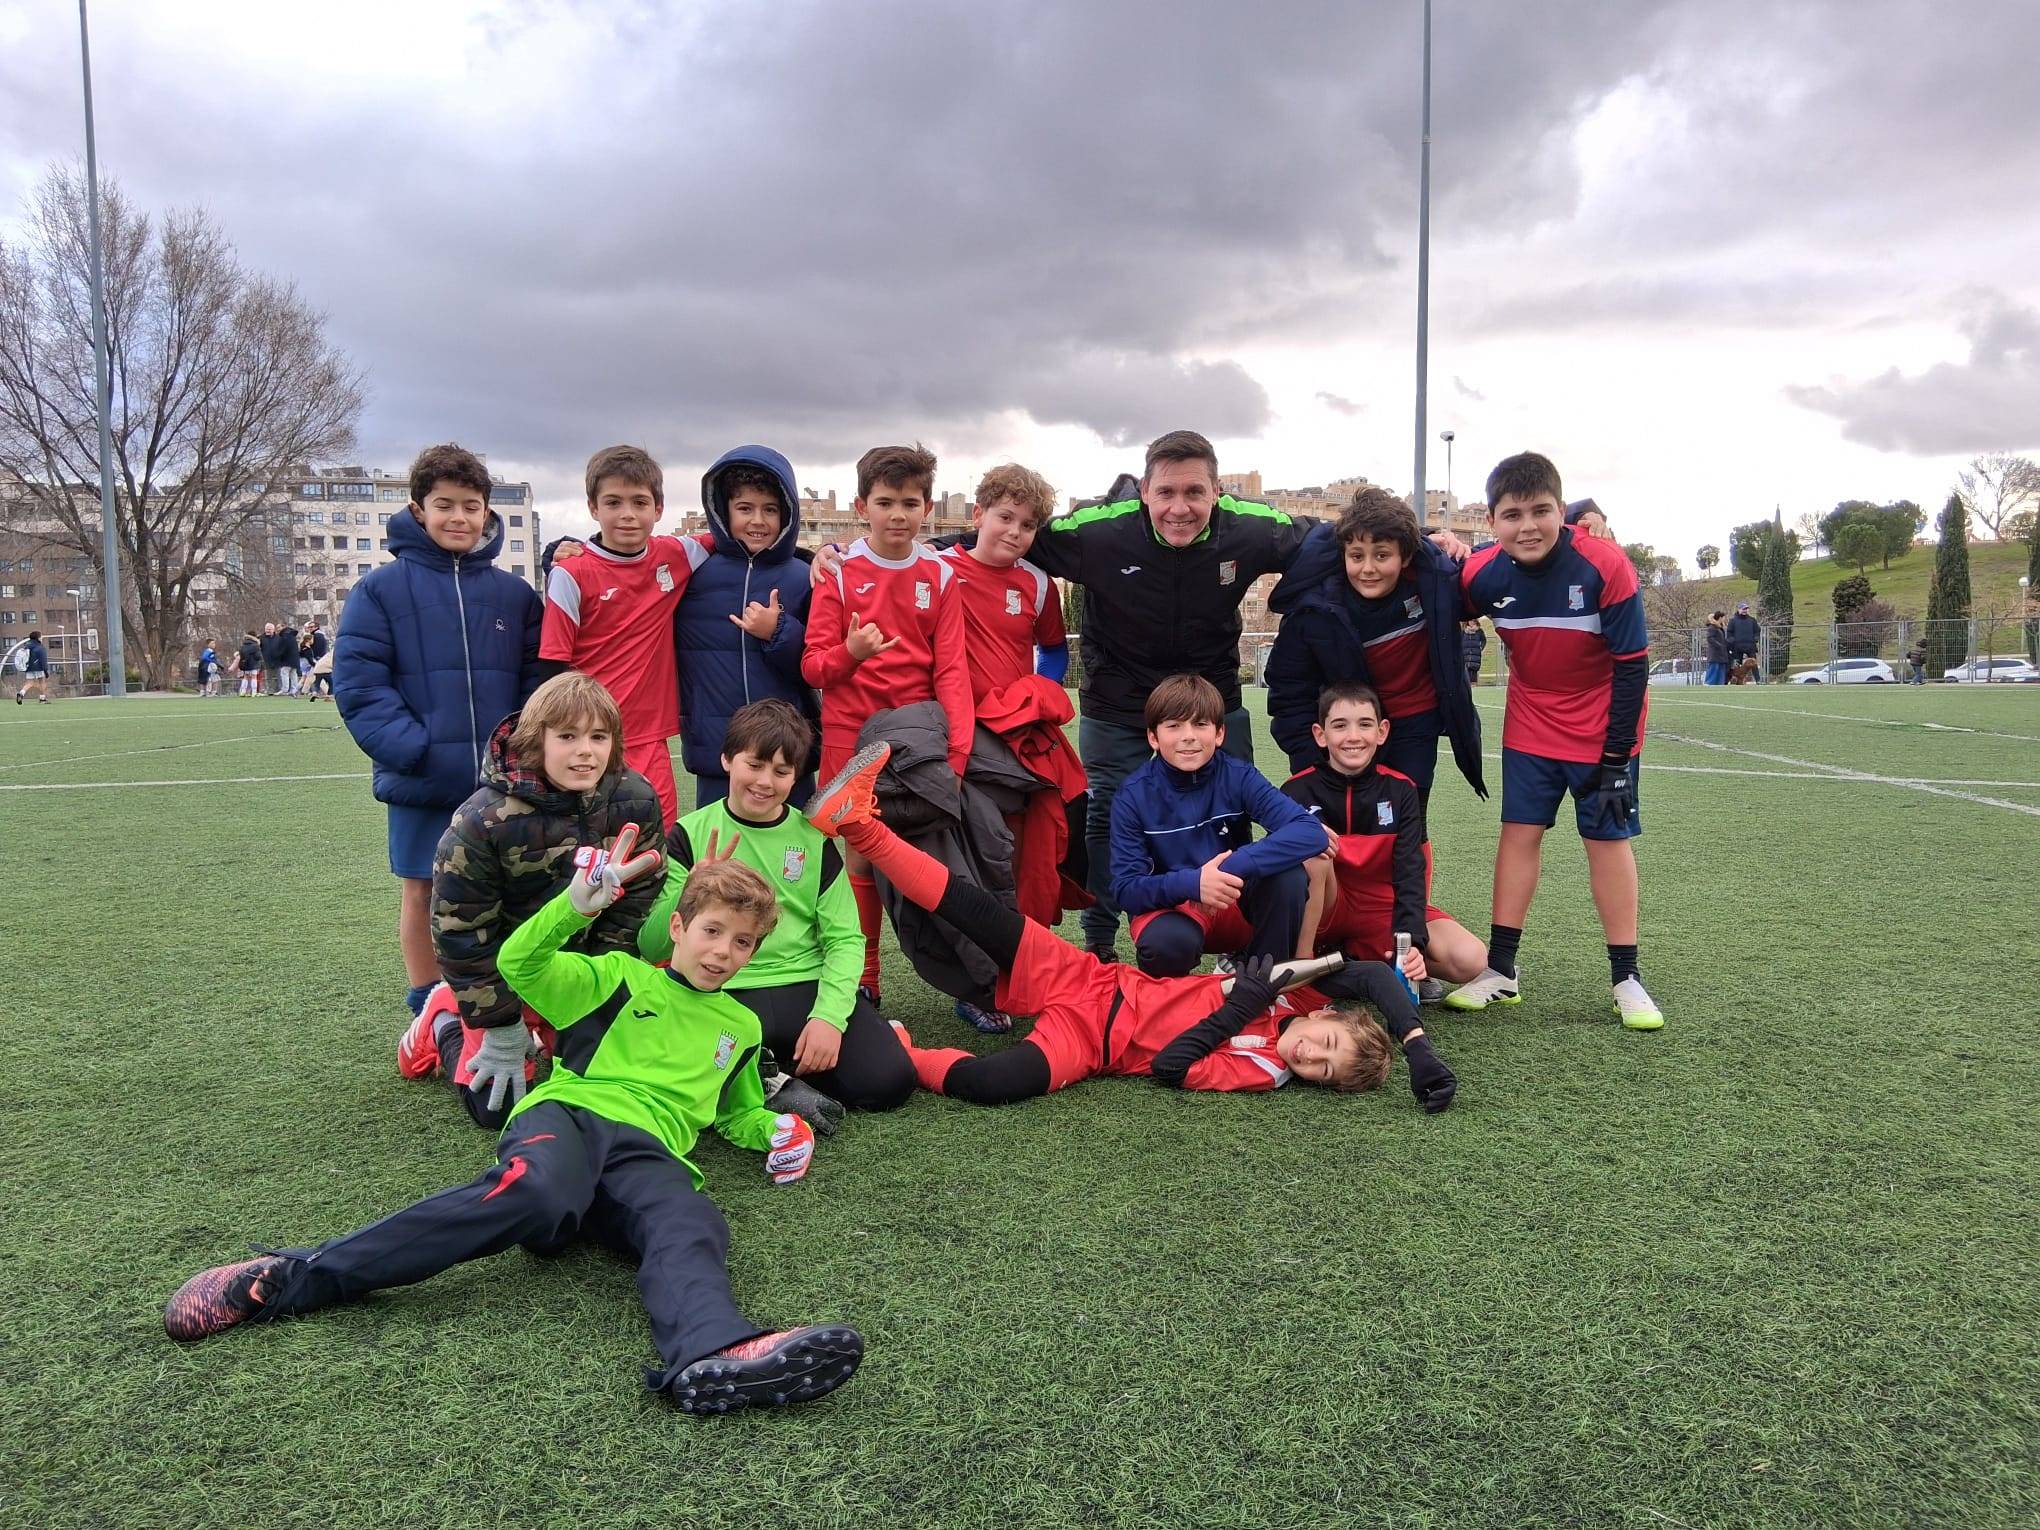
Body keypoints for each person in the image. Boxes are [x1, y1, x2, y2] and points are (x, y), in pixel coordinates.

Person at [163, 842, 865, 1416]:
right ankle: (292, 1278)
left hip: (651, 1157)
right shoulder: (618, 978)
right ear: (679, 929)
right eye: (712, 931)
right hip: (572, 1120)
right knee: (535, 1193)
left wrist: (775, 1130)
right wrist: (572, 908)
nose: (723, 952)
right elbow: (520, 964)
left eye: (743, 943)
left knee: (691, 1222)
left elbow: (735, 1110)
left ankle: (709, 1353)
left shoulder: (741, 1026)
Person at [804, 742, 1458, 1111]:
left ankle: (897, 1050)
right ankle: (858, 822)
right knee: (977, 912)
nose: (1312, 1058)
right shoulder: (1302, 995)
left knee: (995, 1084)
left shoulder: (1261, 1069)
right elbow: (1372, 976)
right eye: (1328, 1045)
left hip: (1092, 1042)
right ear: (1328, 1018)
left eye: (1323, 1072)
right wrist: (1418, 1045)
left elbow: (1172, 1066)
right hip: (1092, 980)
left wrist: (1241, 1007)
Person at [1450, 451, 1662, 1030]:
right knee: (1518, 835)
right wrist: (1440, 546)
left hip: (1603, 727)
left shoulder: (1605, 563)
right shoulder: (1481, 573)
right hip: (1531, 722)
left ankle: (1626, 978)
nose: (1528, 526)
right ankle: (1501, 971)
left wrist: (1616, 756)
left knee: (1607, 841)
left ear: (1562, 511)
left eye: (1541, 511)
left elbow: (1633, 667)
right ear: (1491, 521)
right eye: (1512, 515)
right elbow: (1436, 583)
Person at [336, 442, 545, 1026]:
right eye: (445, 505)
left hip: (502, 784)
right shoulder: (379, 590)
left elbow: (538, 683)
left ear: (487, 512)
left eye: (471, 506)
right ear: (418, 509)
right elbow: (360, 683)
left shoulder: (514, 595)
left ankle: (508, 1002)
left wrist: (522, 751)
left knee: (509, 893)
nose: (459, 517)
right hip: (423, 780)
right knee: (423, 891)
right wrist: (413, 750)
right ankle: (431, 1008)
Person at [408, 671, 666, 1129]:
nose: (585, 750)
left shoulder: (636, 798)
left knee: (623, 1082)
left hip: (579, 970)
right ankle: (442, 1018)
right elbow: (460, 930)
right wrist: (499, 1023)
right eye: (567, 736)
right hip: (510, 974)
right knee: (496, 1109)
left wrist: (599, 986)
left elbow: (641, 895)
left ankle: (551, 1029)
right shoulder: (482, 820)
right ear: (534, 741)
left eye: (599, 736)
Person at [641, 699, 914, 1113]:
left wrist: (828, 1018)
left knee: (889, 1083)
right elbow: (652, 945)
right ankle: (774, 1076)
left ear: (795, 777)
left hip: (804, 985)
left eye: (781, 771)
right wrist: (691, 890)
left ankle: (769, 1072)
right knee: (666, 1086)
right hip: (722, 991)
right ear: (727, 760)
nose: (765, 782)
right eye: (754, 765)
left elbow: (844, 938)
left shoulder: (812, 838)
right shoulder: (689, 834)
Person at [799, 443, 972, 1007]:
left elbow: (951, 668)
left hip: (917, 739)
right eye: (885, 502)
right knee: (856, 856)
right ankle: (864, 977)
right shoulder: (838, 571)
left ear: (927, 508)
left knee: (929, 857)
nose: (898, 515)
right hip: (851, 735)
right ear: (862, 507)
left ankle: (968, 983)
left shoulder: (940, 575)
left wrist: (957, 753)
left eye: (910, 503)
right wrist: (850, 653)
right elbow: (813, 667)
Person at [1264, 486, 1487, 801]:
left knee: (1408, 816)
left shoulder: (1434, 580)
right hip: (1351, 728)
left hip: (1415, 724)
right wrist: (1312, 762)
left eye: (1382, 555)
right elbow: (1289, 691)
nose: (1368, 568)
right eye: (1357, 556)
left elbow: (1501, 562)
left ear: (1405, 556)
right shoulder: (1314, 610)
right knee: (1344, 820)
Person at [1110, 674, 1323, 978]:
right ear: (1153, 737)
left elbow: (1309, 831)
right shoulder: (1132, 796)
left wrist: (1228, 869)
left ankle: (1262, 984)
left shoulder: (1239, 776)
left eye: (1200, 724)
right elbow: (1125, 889)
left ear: (1220, 733)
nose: (1189, 736)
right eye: (1174, 726)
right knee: (1167, 943)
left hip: (1230, 897)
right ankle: (1172, 997)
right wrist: (1194, 883)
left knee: (1288, 876)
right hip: (1172, 908)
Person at [1284, 683, 1489, 995]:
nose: (1353, 736)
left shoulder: (1401, 790)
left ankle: (1353, 960)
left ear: (1381, 732)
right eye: (1340, 726)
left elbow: (1410, 871)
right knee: (1313, 849)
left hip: (1382, 910)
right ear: (1320, 734)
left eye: (1365, 724)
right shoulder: (1296, 790)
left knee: (1470, 958)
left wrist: (1413, 943)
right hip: (1326, 907)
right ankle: (1302, 970)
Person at [541, 444, 702, 824]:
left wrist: (816, 556)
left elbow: (745, 543)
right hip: (589, 738)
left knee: (656, 844)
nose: (627, 514)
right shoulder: (571, 573)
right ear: (593, 508)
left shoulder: (678, 554)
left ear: (658, 509)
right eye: (613, 502)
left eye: (639, 502)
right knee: (588, 847)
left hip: (650, 740)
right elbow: (552, 669)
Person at [675, 446, 819, 810]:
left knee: (793, 844)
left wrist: (779, 631)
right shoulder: (693, 574)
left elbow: (818, 664)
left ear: (787, 514)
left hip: (788, 753)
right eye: (745, 508)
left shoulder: (804, 577)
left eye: (769, 509)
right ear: (723, 511)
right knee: (717, 846)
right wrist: (562, 555)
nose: (758, 520)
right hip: (716, 750)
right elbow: (627, 567)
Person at [1725, 601, 1761, 677]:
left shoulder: (1752, 620)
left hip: (1750, 646)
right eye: (1743, 609)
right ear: (1739, 609)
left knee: (1754, 664)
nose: (1745, 610)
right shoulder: (1733, 621)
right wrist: (1732, 641)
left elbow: (1757, 631)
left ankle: (1758, 680)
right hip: (1737, 647)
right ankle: (1734, 680)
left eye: (1746, 609)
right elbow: (1729, 633)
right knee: (1736, 665)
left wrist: (1756, 638)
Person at [15, 629, 49, 704]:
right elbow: (43, 660)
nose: (42, 638)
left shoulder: (27, 646)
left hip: (29, 667)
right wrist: (46, 671)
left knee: (29, 683)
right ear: (38, 638)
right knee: (42, 681)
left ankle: (21, 693)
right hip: (38, 667)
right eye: (41, 636)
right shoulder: (40, 647)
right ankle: (42, 698)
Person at [275, 620, 301, 696]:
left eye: (279, 627)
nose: (277, 629)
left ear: (283, 627)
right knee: (293, 674)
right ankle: (294, 690)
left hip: (286, 659)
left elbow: (283, 648)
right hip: (294, 658)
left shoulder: (285, 636)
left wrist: (278, 655)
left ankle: (285, 689)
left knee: (284, 673)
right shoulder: (291, 635)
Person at [1704, 611, 1730, 685]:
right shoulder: (1712, 627)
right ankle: (1709, 683)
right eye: (1723, 617)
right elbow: (1710, 638)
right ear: (1720, 618)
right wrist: (1719, 645)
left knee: (1721, 669)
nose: (1724, 619)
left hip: (1721, 653)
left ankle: (1719, 683)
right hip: (1715, 653)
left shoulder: (1719, 628)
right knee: (1714, 668)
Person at [236, 631, 262, 697]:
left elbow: (241, 655)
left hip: (245, 663)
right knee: (254, 677)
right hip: (254, 664)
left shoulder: (243, 645)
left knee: (245, 677)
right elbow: (258, 656)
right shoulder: (256, 645)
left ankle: (243, 691)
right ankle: (254, 692)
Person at [1462, 620, 1487, 687]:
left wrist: (1481, 648)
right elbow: (1459, 640)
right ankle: (1467, 685)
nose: (1471, 622)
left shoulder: (1479, 631)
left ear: (1476, 622)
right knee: (1466, 669)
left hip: (1475, 653)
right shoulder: (1463, 631)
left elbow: (1484, 640)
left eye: (1473, 621)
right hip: (1465, 654)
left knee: (1474, 669)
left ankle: (1474, 684)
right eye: (1470, 621)